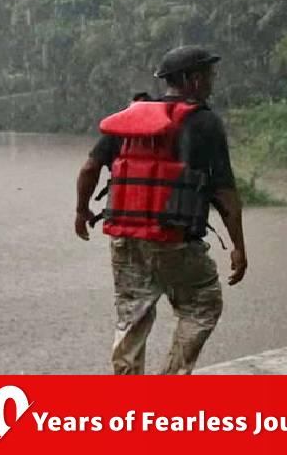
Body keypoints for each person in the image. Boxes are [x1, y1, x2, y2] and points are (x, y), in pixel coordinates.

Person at [74, 45, 248, 375]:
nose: (212, 81)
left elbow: (88, 169)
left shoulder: (132, 118)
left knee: (132, 315)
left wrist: (82, 211)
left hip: (126, 239)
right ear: (193, 80)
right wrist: (238, 245)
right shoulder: (204, 123)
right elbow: (225, 192)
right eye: (209, 75)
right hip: (175, 241)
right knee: (203, 303)